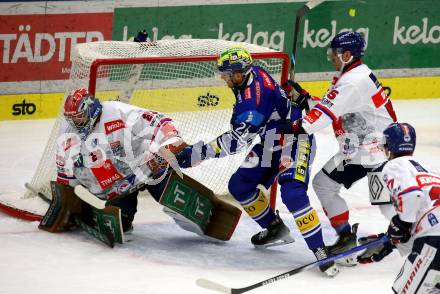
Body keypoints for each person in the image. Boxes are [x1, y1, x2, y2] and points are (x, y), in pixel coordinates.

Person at [175, 46, 339, 276]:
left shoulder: (253, 106)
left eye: (227, 74)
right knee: (239, 185)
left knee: (292, 193)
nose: (224, 79)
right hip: (272, 141)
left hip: (296, 140)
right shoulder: (254, 73)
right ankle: (274, 228)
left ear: (240, 73)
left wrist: (196, 153)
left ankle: (321, 251)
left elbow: (234, 142)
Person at [285, 31, 398, 264]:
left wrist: (297, 126)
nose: (331, 58)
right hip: (363, 148)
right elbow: (332, 106)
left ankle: (418, 234)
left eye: (334, 54)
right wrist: (305, 99)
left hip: (372, 150)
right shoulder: (350, 75)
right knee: (328, 186)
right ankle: (350, 236)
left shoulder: (353, 81)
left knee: (380, 201)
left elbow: (325, 113)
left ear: (347, 54)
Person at [54, 88, 185, 233]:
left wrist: (171, 138)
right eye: (71, 118)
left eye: (79, 117)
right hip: (118, 189)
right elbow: (65, 175)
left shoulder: (117, 112)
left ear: (91, 110)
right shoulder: (67, 133)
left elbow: (157, 120)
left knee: (180, 205)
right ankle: (123, 214)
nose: (75, 123)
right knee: (120, 227)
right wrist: (66, 202)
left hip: (147, 168)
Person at [357, 122, 440, 293]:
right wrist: (391, 241)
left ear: (389, 145)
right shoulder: (428, 169)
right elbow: (421, 215)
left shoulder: (393, 166)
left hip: (434, 240)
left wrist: (399, 224)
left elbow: (412, 195)